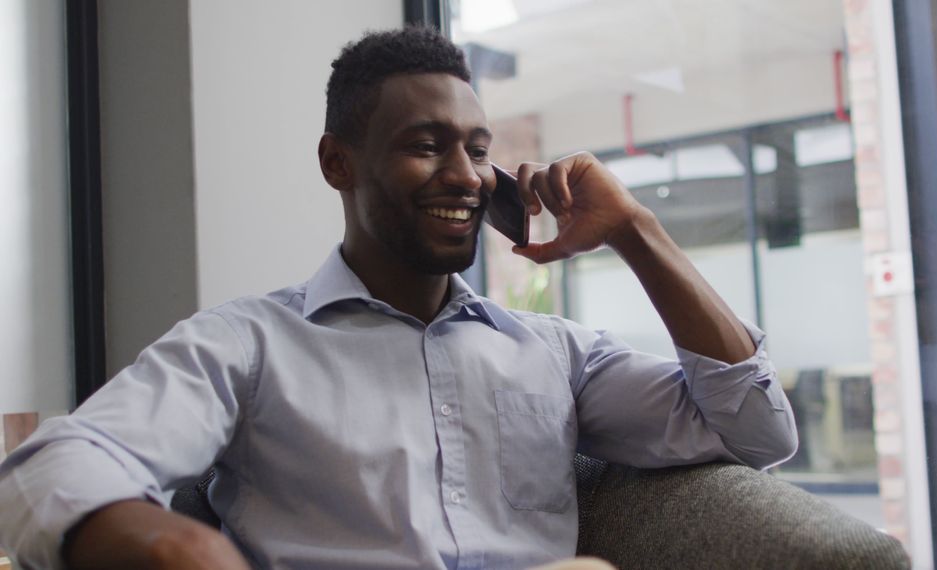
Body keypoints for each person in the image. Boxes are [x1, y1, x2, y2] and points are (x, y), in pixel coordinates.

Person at [0, 26, 797, 570]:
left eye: (478, 151)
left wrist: (636, 232)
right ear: (337, 163)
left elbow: (757, 428)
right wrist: (182, 549)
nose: (465, 175)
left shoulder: (553, 352)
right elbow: (50, 467)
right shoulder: (246, 345)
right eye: (426, 145)